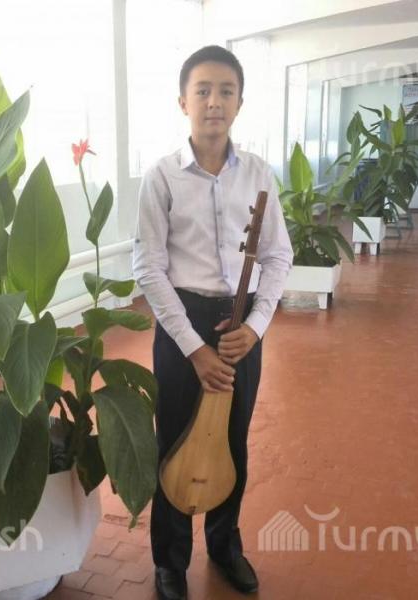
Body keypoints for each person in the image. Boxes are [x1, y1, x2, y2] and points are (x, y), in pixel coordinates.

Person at [132, 45, 293, 600]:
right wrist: (194, 348)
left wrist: (257, 325)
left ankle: (225, 547)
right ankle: (170, 561)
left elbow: (278, 256)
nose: (214, 102)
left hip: (240, 325)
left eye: (226, 91)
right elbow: (148, 269)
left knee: (232, 437)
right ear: (183, 101)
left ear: (240, 103)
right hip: (184, 322)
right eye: (202, 90)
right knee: (174, 438)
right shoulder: (161, 178)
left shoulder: (259, 174)